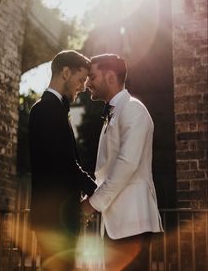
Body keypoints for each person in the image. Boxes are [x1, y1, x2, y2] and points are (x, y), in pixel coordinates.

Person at [82, 54, 163, 271]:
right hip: (116, 224)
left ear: (110, 77)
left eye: (92, 77)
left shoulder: (133, 109)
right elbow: (106, 170)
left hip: (132, 222)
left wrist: (92, 204)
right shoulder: (115, 111)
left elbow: (127, 164)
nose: (88, 83)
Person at [28, 50, 97, 271]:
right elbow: (63, 162)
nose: (83, 87)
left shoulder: (54, 109)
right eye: (81, 79)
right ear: (65, 72)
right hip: (54, 220)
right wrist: (94, 188)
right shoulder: (46, 109)